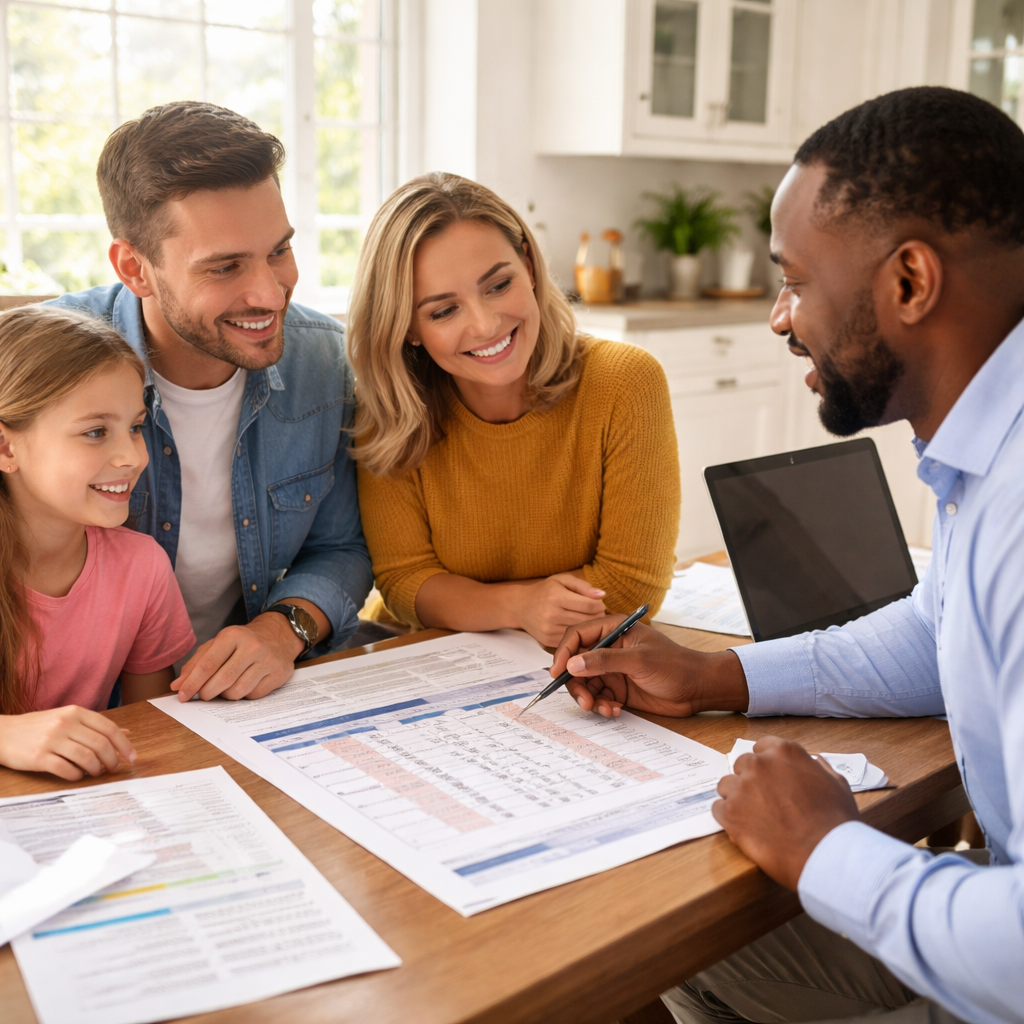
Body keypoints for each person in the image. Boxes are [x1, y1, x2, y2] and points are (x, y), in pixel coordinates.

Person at [551, 86, 1024, 1024]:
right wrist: (714, 675)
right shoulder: (989, 450)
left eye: (797, 281)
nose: (779, 318)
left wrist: (824, 847)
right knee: (694, 925)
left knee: (700, 919)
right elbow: (936, 635)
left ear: (909, 282)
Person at [52, 101, 372, 704]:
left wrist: (282, 630)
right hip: (79, 718)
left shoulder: (322, 362)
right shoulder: (40, 367)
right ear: (135, 268)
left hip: (244, 706)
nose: (269, 294)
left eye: (278, 251)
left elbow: (340, 548)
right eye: (225, 267)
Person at [348, 173, 680, 647]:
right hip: (422, 652)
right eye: (443, 311)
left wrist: (489, 603)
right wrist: (520, 606)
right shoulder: (391, 411)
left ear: (528, 265)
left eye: (499, 285)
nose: (485, 325)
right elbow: (404, 583)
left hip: (574, 658)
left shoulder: (624, 382)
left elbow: (633, 587)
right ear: (407, 328)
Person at [0, 306, 195, 780]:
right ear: (6, 448)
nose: (132, 457)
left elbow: (150, 729)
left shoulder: (142, 568)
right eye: (95, 432)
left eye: (135, 427)